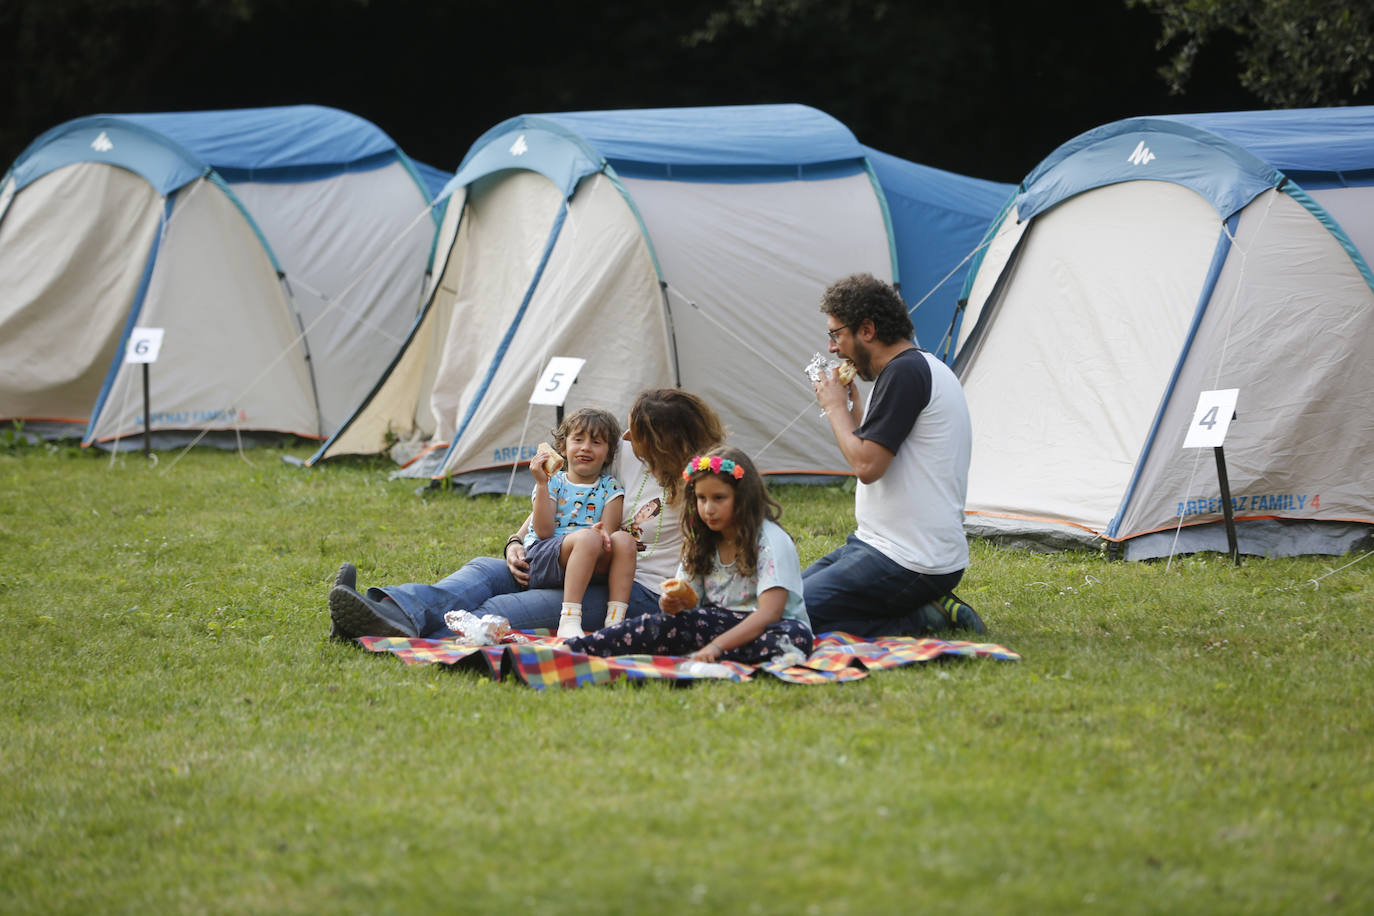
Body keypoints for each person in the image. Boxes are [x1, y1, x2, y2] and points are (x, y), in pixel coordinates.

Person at [328, 389, 725, 639]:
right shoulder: (629, 457)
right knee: (485, 571)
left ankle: (385, 628)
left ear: (664, 443)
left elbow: (733, 548)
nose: (624, 438)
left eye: (636, 433)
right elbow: (566, 489)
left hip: (638, 593)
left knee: (502, 609)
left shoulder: (704, 486)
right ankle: (385, 609)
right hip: (573, 556)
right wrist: (518, 540)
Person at [805, 272, 985, 638]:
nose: (833, 349)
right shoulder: (908, 370)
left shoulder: (905, 373)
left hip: (910, 560)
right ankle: (923, 606)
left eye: (836, 334)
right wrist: (854, 412)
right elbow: (875, 453)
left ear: (867, 329)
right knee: (777, 598)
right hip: (877, 545)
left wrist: (835, 407)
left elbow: (867, 466)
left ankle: (923, 619)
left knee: (790, 614)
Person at [565, 446, 811, 664]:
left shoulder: (770, 541)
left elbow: (770, 613)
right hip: (715, 623)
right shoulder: (700, 541)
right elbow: (690, 603)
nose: (708, 509)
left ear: (744, 497)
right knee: (663, 626)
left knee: (790, 641)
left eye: (719, 498)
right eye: (701, 498)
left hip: (773, 628)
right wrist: (669, 604)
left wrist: (716, 646)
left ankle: (707, 653)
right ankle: (578, 650)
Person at [519, 408, 637, 638]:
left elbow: (609, 535)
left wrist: (599, 535)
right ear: (563, 447)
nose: (585, 447)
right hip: (544, 559)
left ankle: (614, 622)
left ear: (609, 453)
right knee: (588, 537)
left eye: (596, 442)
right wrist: (542, 485)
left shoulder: (611, 487)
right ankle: (569, 620)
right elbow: (543, 532)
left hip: (591, 560)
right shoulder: (552, 482)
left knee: (623, 539)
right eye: (579, 439)